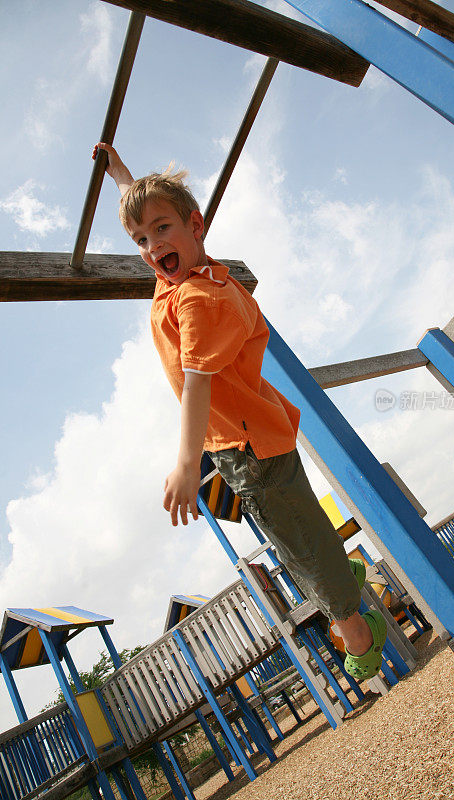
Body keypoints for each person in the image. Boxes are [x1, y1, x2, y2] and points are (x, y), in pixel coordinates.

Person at [92, 142, 387, 680]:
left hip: (247, 448)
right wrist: (121, 175)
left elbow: (199, 384)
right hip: (251, 439)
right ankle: (333, 571)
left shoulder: (200, 300)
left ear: (196, 225)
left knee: (295, 544)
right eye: (141, 239)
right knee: (290, 535)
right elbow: (147, 209)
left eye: (162, 230)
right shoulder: (185, 279)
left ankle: (359, 628)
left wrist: (185, 463)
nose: (153, 246)